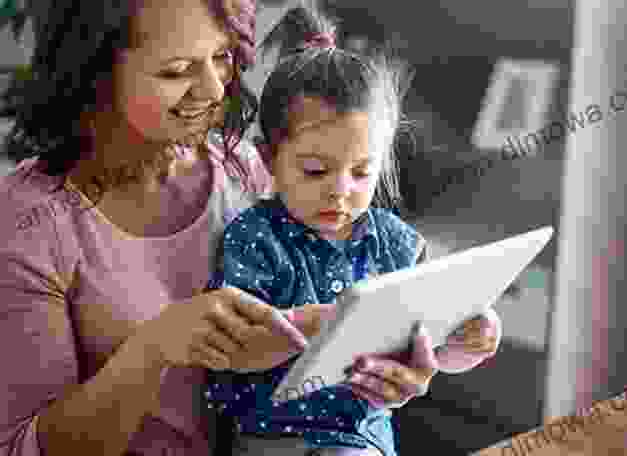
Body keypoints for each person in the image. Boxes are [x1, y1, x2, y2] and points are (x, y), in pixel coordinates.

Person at [0, 1, 329, 455]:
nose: (215, 90)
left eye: (222, 57)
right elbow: (21, 448)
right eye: (176, 71)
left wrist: (378, 356)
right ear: (96, 75)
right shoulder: (28, 225)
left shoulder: (242, 172)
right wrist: (156, 347)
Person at [202, 4, 502, 456]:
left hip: (362, 439)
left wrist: (472, 337)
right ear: (268, 160)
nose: (340, 192)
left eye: (362, 173)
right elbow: (234, 352)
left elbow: (431, 345)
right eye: (316, 171)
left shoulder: (394, 241)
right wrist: (326, 324)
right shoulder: (254, 238)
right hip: (269, 439)